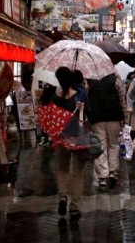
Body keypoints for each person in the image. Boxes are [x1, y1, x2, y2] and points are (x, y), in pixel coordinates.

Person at [51, 66, 88, 220]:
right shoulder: (79, 96)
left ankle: (62, 197)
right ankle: (74, 206)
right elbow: (87, 114)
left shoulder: (56, 97)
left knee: (62, 168)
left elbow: (53, 118)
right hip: (78, 136)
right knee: (78, 171)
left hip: (62, 137)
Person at [86, 72, 126, 190]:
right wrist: (125, 118)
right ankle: (113, 172)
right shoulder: (116, 79)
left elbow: (87, 99)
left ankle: (102, 176)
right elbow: (122, 100)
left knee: (100, 146)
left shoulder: (90, 80)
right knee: (113, 145)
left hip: (97, 118)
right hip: (114, 117)